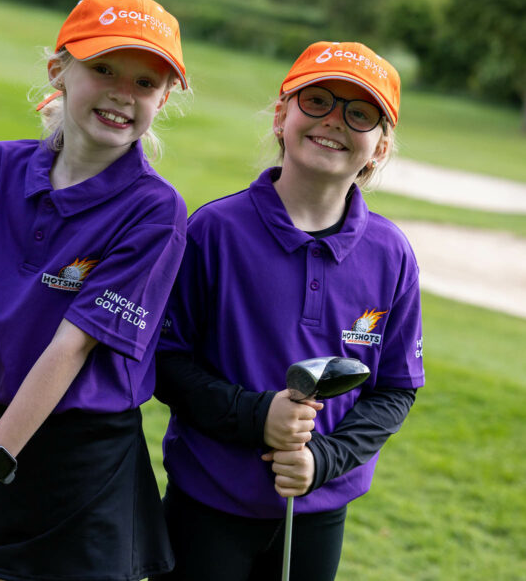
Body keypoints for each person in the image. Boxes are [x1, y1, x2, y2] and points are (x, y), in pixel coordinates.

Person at [0, 0, 189, 581]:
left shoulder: (155, 208)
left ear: (164, 98)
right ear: (58, 71)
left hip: (83, 456)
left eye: (146, 82)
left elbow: (73, 345)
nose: (123, 92)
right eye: (103, 69)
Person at [153, 41, 425, 581]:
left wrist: (324, 459)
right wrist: (260, 416)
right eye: (317, 101)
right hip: (208, 501)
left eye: (360, 113)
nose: (335, 120)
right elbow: (165, 362)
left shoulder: (391, 254)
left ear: (380, 147)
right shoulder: (215, 231)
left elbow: (396, 389)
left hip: (318, 511)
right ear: (282, 116)